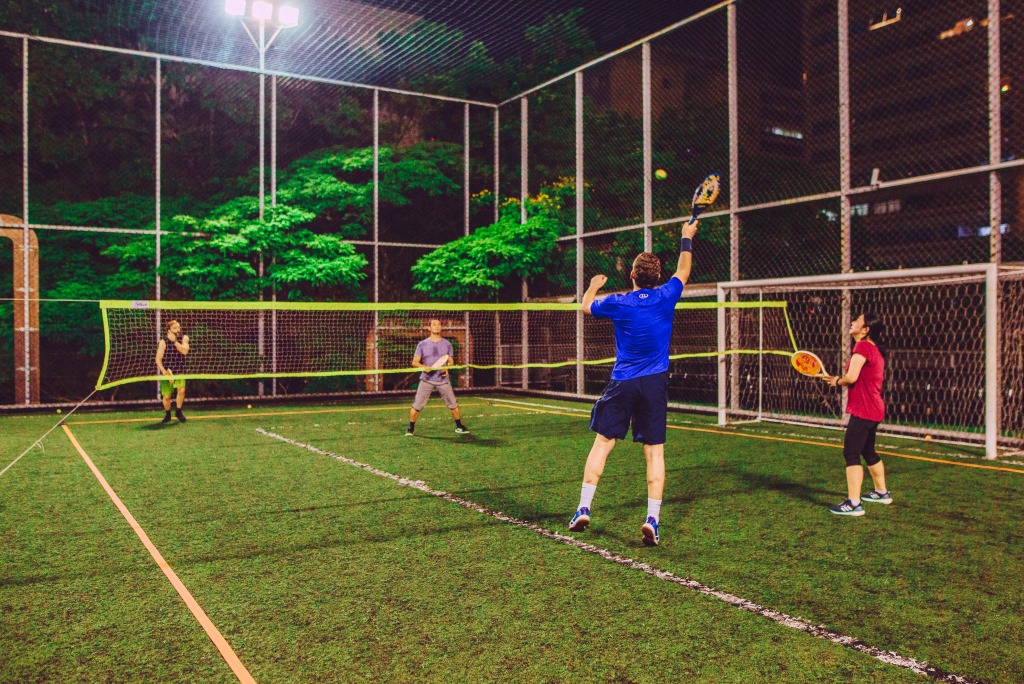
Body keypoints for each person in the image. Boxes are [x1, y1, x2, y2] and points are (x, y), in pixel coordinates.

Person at [567, 219, 699, 547]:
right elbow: (683, 271)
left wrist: (595, 285)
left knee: (603, 444)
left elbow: (584, 306)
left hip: (622, 382)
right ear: (658, 278)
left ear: (632, 276)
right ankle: (652, 518)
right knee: (654, 453)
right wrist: (686, 237)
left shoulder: (619, 301)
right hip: (653, 384)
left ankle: (583, 507)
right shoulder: (667, 295)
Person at [822, 312, 891, 516]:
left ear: (865, 329)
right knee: (868, 451)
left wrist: (836, 381)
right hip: (875, 409)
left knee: (851, 453)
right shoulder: (875, 349)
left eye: (858, 321)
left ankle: (853, 504)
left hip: (864, 409)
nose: (852, 322)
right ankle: (881, 492)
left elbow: (851, 378)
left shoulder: (862, 346)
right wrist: (838, 379)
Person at [406, 318, 469, 437]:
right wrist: (424, 367)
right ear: (429, 328)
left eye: (439, 324)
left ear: (441, 327)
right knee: (417, 405)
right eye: (434, 325)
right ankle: (410, 428)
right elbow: (415, 362)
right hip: (426, 379)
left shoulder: (447, 344)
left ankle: (459, 426)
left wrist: (447, 368)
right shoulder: (422, 344)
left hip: (443, 380)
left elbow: (450, 362)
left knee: (453, 404)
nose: (436, 326)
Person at [155, 319, 190, 423]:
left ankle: (178, 411)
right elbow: (158, 359)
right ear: (168, 331)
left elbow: (184, 351)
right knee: (166, 397)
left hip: (179, 369)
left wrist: (174, 341)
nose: (178, 329)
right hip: (167, 371)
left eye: (179, 327)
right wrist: (164, 372)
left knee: (182, 390)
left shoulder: (184, 338)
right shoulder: (163, 342)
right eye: (175, 328)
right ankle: (168, 414)